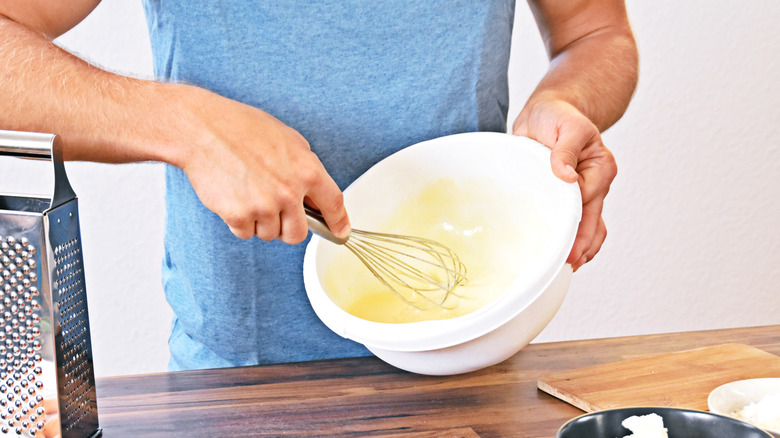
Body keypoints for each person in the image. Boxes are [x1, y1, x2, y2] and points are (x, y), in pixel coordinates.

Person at [0, 1, 638, 371]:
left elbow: (595, 30)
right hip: (242, 389)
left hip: (470, 356)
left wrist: (566, 98)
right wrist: (184, 126)